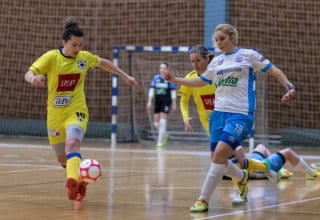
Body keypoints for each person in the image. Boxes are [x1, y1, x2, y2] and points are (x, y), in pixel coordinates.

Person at [163, 24, 295, 212]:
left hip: (240, 115)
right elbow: (201, 81)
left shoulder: (248, 55)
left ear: (233, 37)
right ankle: (243, 177)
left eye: (222, 39)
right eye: (216, 40)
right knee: (219, 160)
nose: (219, 43)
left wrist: (289, 87)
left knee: (218, 156)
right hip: (218, 115)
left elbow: (274, 70)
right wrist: (176, 80)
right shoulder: (217, 62)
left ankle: (203, 199)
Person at [24, 17, 139, 201]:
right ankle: (81, 180)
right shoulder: (52, 57)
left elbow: (103, 62)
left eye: (81, 45)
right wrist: (33, 79)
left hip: (77, 112)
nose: (78, 49)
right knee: (62, 159)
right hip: (55, 116)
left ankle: (73, 184)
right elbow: (29, 72)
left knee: (72, 145)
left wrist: (125, 76)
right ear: (64, 42)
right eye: (74, 45)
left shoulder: (83, 58)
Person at [179, 45, 278, 205]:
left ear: (207, 59)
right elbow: (183, 100)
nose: (195, 64)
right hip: (211, 125)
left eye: (198, 60)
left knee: (231, 157)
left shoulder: (219, 73)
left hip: (229, 120)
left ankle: (239, 188)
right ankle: (255, 172)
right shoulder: (191, 78)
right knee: (227, 160)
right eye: (192, 61)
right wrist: (185, 118)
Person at [147, 62, 177, 148]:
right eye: (161, 68)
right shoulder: (155, 78)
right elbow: (152, 89)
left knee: (162, 121)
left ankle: (160, 141)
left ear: (167, 69)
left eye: (164, 68)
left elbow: (173, 91)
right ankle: (165, 133)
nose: (162, 69)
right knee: (156, 123)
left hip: (166, 101)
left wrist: (174, 103)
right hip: (157, 101)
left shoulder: (169, 78)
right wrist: (149, 101)